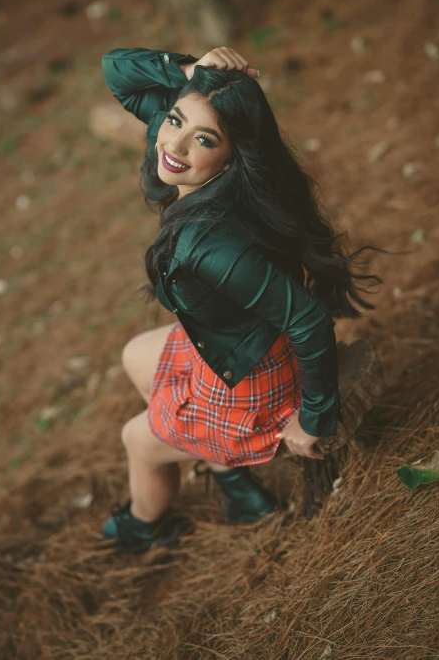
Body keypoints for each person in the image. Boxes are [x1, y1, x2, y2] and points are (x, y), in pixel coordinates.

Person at [100, 45, 384, 553]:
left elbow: (309, 321)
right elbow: (115, 70)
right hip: (236, 343)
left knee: (135, 441)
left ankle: (145, 528)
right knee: (134, 355)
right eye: (174, 120)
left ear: (231, 154)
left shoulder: (210, 243)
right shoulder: (196, 167)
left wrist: (315, 418)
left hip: (251, 380)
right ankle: (237, 488)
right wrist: (190, 70)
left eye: (202, 139)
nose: (174, 146)